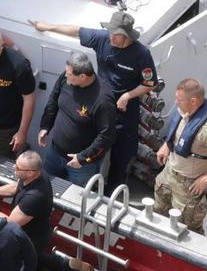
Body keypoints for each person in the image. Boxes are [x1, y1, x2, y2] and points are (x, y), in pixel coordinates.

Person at [32, 11, 157, 191]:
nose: (112, 38)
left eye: (117, 35)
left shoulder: (141, 54)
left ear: (127, 35)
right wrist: (48, 26)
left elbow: (150, 83)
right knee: (88, 138)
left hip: (124, 110)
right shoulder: (102, 38)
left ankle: (112, 193)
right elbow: (76, 30)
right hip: (96, 101)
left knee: (121, 156)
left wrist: (128, 95)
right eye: (111, 33)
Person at [154, 78, 207, 234]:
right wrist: (166, 145)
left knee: (187, 231)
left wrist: (206, 179)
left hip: (189, 186)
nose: (176, 102)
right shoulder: (183, 111)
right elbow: (177, 134)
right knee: (159, 216)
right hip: (168, 175)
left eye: (179, 100)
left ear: (193, 101)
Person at [0, 151, 95, 271]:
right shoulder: (35, 175)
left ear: (30, 172)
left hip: (30, 239)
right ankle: (68, 265)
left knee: (24, 265)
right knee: (37, 258)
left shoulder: (34, 197)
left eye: (18, 168)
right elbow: (17, 187)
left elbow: (10, 223)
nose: (14, 168)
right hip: (37, 233)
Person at [38, 53, 116, 187]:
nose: (65, 76)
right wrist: (45, 126)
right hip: (55, 153)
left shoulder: (103, 100)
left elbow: (107, 136)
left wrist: (83, 158)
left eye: (69, 75)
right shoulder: (65, 78)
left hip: (81, 165)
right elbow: (53, 100)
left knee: (75, 200)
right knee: (45, 187)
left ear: (82, 76)